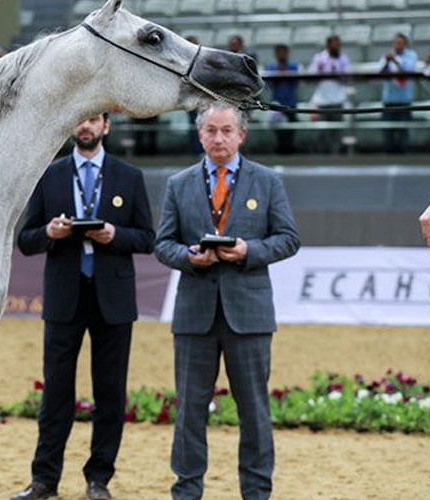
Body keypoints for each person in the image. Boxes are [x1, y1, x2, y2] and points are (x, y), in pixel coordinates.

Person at [154, 102, 300, 500]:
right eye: (211, 131)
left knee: (254, 410)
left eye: (226, 130)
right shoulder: (178, 183)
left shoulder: (267, 181)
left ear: (241, 135)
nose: (219, 138)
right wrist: (188, 257)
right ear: (199, 135)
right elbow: (162, 244)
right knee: (189, 413)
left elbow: (289, 238)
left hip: (249, 315)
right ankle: (186, 491)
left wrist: (248, 251)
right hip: (194, 315)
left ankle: (256, 492)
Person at [13, 113, 155, 500]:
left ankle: (99, 479)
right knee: (56, 392)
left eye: (93, 120)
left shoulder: (129, 176)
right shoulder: (51, 174)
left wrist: (114, 235)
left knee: (110, 393)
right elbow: (25, 240)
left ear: (106, 126)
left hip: (114, 299)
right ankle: (44, 480)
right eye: (81, 120)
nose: (86, 127)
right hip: (64, 298)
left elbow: (147, 238)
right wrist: (49, 232)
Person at [308, 35, 351, 154]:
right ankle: (322, 158)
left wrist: (336, 73)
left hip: (338, 100)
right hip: (322, 101)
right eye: (334, 44)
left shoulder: (343, 59)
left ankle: (335, 157)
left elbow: (348, 79)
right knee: (322, 133)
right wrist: (320, 71)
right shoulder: (319, 58)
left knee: (337, 132)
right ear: (328, 45)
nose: (337, 47)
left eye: (338, 44)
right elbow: (310, 79)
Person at [379, 33, 418, 154]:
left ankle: (403, 155)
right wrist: (387, 62)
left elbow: (407, 73)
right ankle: (389, 154)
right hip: (389, 100)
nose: (397, 45)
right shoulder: (386, 57)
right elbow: (380, 73)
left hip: (404, 100)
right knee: (388, 131)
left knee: (403, 130)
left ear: (405, 44)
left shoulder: (411, 55)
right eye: (396, 43)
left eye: (400, 43)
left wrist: (395, 61)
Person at [264, 44, 300, 155]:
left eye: (283, 52)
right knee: (278, 128)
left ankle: (291, 149)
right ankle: (280, 149)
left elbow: (296, 83)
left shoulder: (293, 66)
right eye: (279, 52)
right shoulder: (271, 67)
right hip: (277, 101)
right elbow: (268, 84)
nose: (281, 54)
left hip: (291, 101)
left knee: (291, 127)